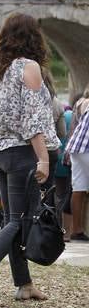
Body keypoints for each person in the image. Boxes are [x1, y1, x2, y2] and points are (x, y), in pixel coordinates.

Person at [0, 14, 60, 306]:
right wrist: (43, 159)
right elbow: (35, 120)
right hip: (22, 153)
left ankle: (23, 283)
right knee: (20, 220)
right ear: (34, 38)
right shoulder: (29, 68)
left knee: (13, 219)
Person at [65, 96, 89, 241]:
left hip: (76, 147)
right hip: (87, 148)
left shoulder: (83, 102)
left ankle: (77, 230)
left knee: (78, 188)